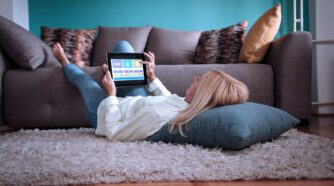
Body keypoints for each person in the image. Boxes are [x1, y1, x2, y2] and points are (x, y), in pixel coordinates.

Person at [52, 41, 249, 142]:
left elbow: (114, 132)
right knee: (123, 46)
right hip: (136, 101)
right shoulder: (187, 105)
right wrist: (152, 77)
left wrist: (111, 95)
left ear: (202, 95)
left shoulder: (157, 117)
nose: (195, 78)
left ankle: (64, 62)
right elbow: (168, 99)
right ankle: (113, 73)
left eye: (200, 80)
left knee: (84, 82)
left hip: (108, 113)